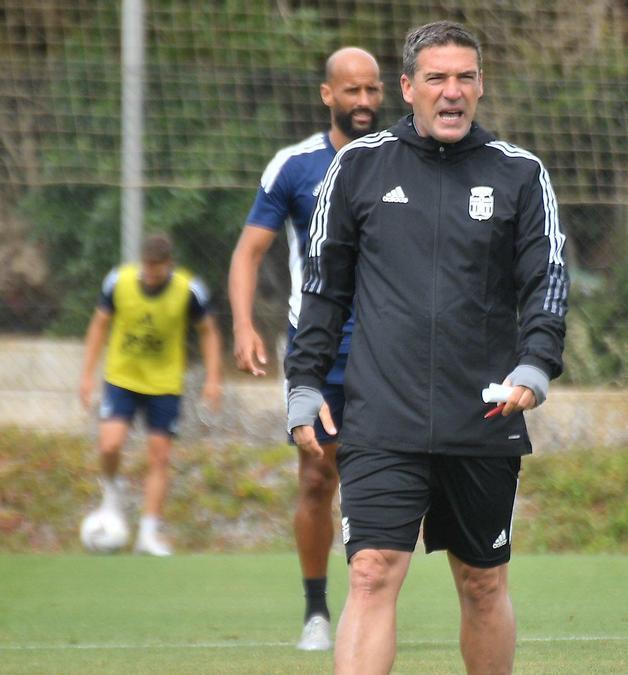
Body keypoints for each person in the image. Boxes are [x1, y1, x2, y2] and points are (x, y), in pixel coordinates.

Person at [285, 21, 568, 674]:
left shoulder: (520, 174)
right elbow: (324, 288)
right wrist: (304, 384)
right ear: (407, 87)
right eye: (436, 78)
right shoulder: (358, 167)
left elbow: (547, 279)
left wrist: (536, 363)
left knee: (483, 582)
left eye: (465, 77)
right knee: (371, 572)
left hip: (485, 414)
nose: (452, 92)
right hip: (383, 414)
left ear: (481, 86)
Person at [228, 47, 384, 651]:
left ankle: (368, 601)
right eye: (352, 91)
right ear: (328, 95)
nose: (365, 102)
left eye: (373, 90)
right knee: (318, 476)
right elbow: (248, 252)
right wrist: (243, 324)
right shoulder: (294, 168)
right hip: (316, 352)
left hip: (387, 352)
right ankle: (317, 610)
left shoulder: (402, 160)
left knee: (381, 478)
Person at [79, 232, 223, 557]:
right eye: (147, 267)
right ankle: (112, 497)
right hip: (122, 378)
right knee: (110, 443)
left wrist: (213, 379)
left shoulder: (189, 289)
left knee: (159, 456)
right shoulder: (119, 281)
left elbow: (208, 331)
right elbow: (99, 325)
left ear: (169, 264)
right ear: (141, 262)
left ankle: (148, 533)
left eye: (157, 268)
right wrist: (87, 375)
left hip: (164, 384)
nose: (151, 273)